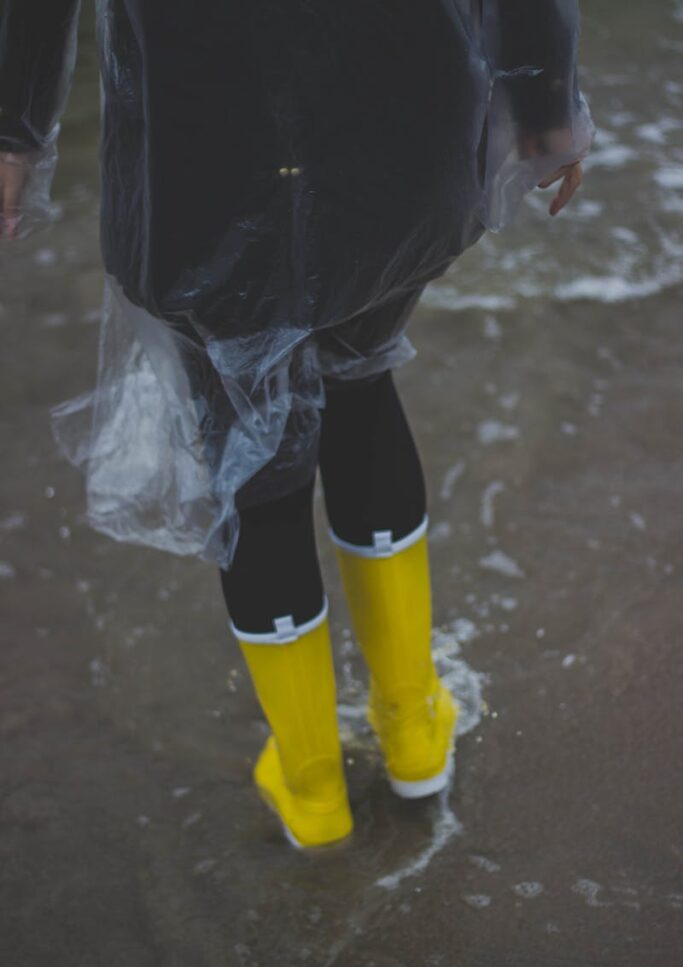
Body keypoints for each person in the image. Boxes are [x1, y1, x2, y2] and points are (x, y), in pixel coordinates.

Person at [0, 1, 593, 848]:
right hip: (405, 124)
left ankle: (313, 784)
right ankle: (414, 728)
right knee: (361, 381)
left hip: (199, 151)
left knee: (254, 458)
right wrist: (545, 105)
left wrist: (16, 133)